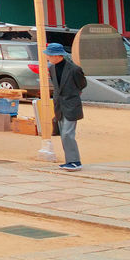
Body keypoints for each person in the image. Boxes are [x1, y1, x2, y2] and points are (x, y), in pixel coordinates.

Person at [47, 42, 88, 171]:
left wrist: (73, 94)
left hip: (71, 104)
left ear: (57, 55)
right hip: (59, 105)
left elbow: (82, 84)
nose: (48, 57)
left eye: (49, 54)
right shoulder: (51, 68)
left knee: (67, 134)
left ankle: (75, 161)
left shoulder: (75, 69)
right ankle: (70, 160)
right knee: (63, 133)